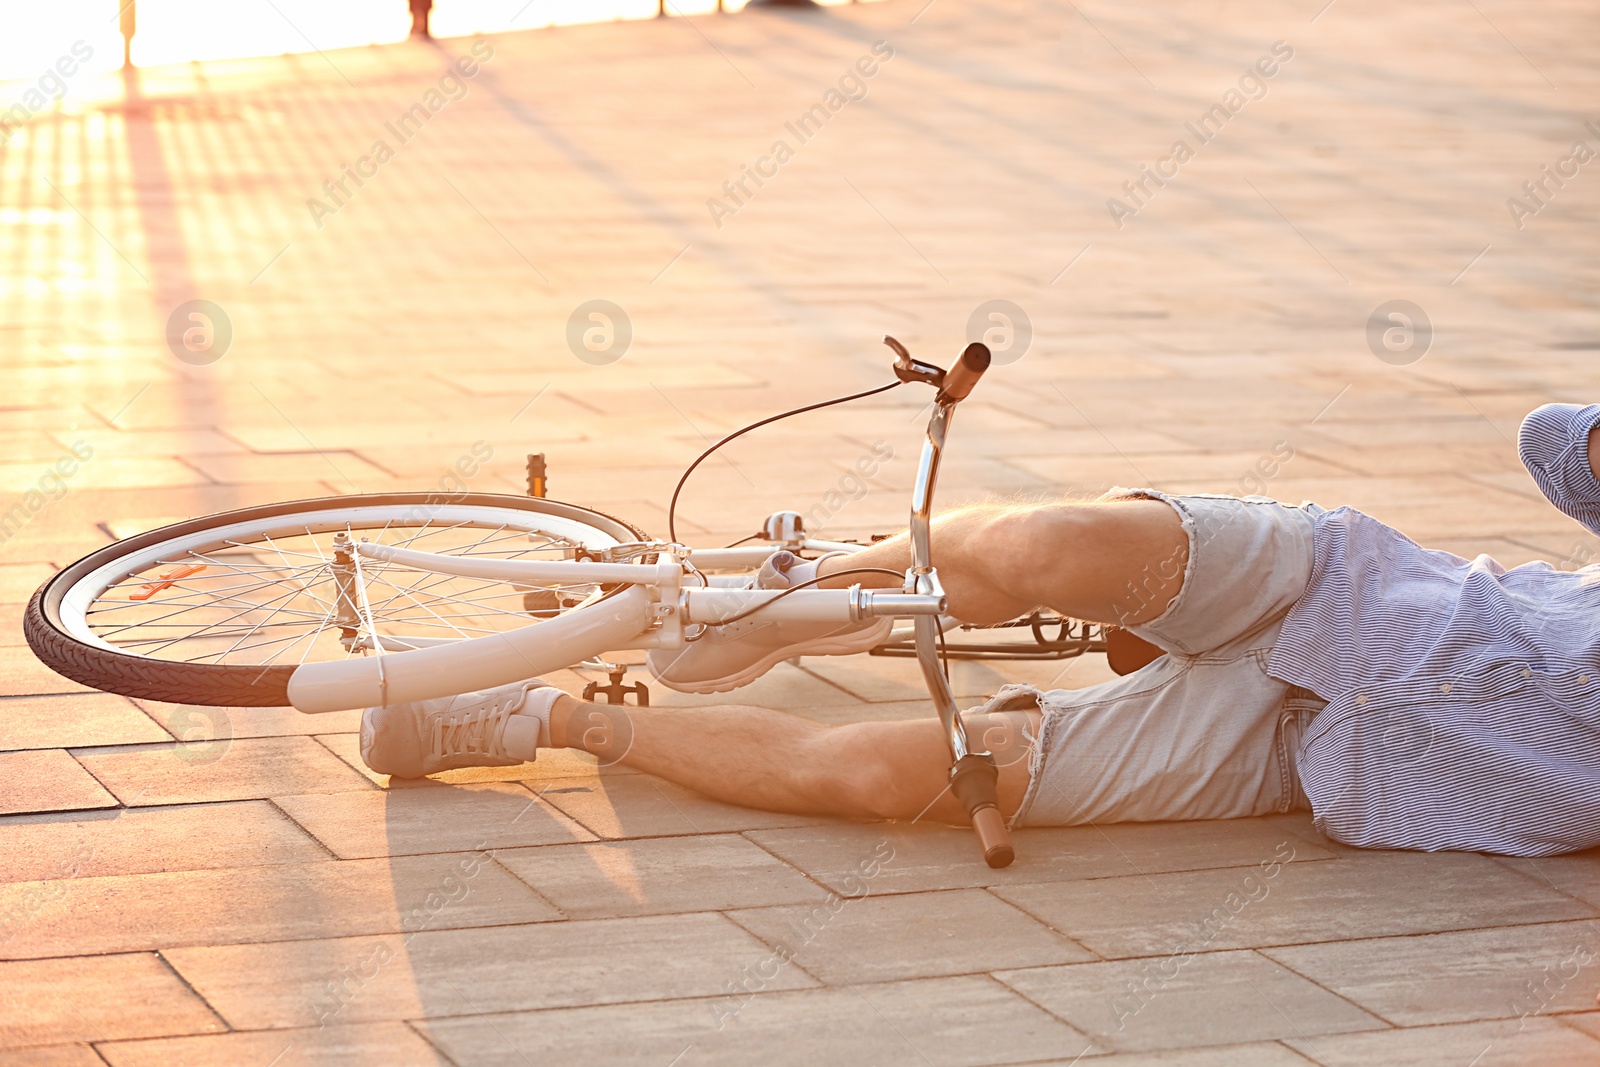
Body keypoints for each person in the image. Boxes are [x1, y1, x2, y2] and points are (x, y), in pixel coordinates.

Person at [359, 404, 1600, 858]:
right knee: (1036, 551)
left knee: (887, 778)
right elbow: (1555, 439)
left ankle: (536, 716)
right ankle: (789, 599)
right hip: (1339, 582)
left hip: (1326, 760)